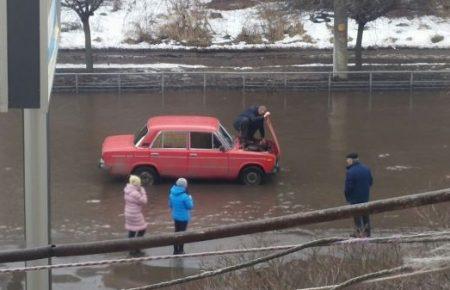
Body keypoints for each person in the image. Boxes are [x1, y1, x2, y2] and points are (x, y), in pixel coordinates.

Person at [344, 153, 373, 238]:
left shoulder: (350, 172)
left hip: (354, 197)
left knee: (356, 216)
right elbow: (371, 182)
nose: (347, 161)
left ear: (351, 160)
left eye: (347, 160)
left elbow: (348, 187)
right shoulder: (366, 168)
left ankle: (359, 233)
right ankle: (367, 233)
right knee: (365, 215)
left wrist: (347, 196)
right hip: (365, 196)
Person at [124, 175, 148, 256]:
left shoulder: (127, 190)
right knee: (142, 229)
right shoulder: (135, 193)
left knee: (132, 230)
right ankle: (137, 248)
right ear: (137, 184)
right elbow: (144, 201)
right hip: (135, 213)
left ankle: (131, 249)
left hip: (128, 213)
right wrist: (143, 192)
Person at [169, 178, 194, 255]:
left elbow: (170, 205)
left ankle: (175, 250)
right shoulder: (185, 196)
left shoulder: (171, 194)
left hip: (175, 217)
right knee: (182, 234)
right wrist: (190, 199)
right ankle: (181, 250)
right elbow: (190, 206)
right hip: (183, 218)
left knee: (176, 232)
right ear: (185, 186)